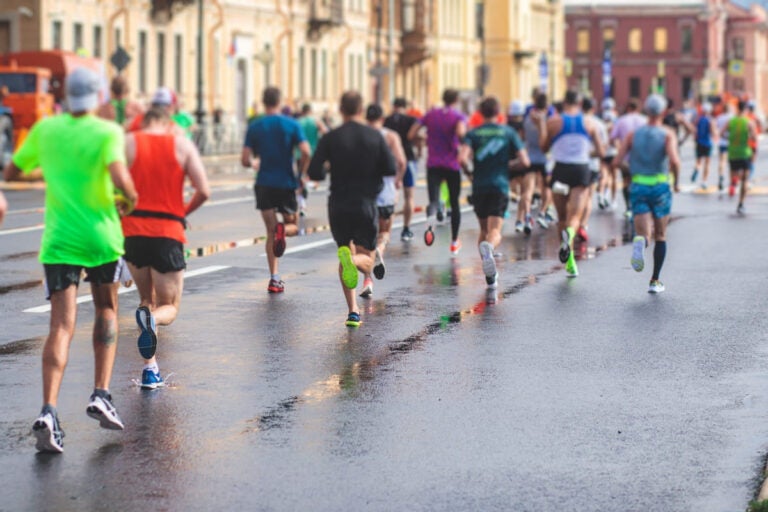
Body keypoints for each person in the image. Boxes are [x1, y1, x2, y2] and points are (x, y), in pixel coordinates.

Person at [4, 68, 139, 453]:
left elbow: (14, 169)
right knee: (106, 310)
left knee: (61, 326)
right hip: (101, 239)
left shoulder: (47, 130)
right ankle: (101, 393)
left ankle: (48, 410)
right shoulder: (106, 132)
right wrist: (129, 200)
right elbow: (124, 183)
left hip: (59, 241)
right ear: (97, 96)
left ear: (65, 95)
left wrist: (51, 172)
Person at [121, 106, 210, 389]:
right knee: (167, 307)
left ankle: (151, 370)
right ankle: (152, 321)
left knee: (145, 299)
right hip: (167, 231)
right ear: (167, 122)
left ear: (144, 122)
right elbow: (204, 190)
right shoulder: (181, 145)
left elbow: (111, 184)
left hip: (133, 232)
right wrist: (181, 212)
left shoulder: (128, 143)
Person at [307, 91, 396, 327]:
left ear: (341, 109)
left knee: (344, 250)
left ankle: (353, 310)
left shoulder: (331, 137)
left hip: (338, 204)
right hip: (365, 203)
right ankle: (354, 262)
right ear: (361, 109)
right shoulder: (374, 136)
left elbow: (314, 172)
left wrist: (332, 165)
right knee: (367, 258)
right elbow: (390, 168)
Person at [241, 87, 311, 293]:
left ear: (263, 102)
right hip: (286, 183)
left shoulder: (255, 126)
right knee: (292, 226)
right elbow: (306, 152)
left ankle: (274, 278)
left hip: (263, 183)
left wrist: (254, 163)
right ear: (280, 101)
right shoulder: (291, 124)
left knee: (270, 232)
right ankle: (283, 230)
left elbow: (245, 159)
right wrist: (301, 174)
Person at [613, 94, 680, 294]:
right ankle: (655, 280)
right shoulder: (667, 134)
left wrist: (631, 170)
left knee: (643, 233)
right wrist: (676, 181)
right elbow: (675, 161)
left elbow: (616, 162)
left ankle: (640, 240)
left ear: (646, 111)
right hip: (660, 186)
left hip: (639, 185)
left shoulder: (633, 135)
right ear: (663, 112)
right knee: (661, 235)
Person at [460, 96, 529, 288]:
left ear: (480, 113)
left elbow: (462, 159)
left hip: (479, 186)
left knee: (483, 230)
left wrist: (470, 174)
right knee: (495, 231)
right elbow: (525, 161)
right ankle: (489, 249)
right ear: (499, 112)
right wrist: (508, 165)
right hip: (499, 185)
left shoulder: (473, 134)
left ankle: (489, 275)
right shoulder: (507, 133)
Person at [541, 89, 605, 278]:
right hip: (581, 170)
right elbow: (601, 152)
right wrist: (585, 152)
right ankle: (570, 233)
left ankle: (570, 263)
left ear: (564, 102)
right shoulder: (589, 122)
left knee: (561, 216)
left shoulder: (553, 122)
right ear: (579, 103)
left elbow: (544, 147)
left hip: (560, 169)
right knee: (575, 216)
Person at [408, 89, 467, 254]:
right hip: (451, 164)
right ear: (456, 99)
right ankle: (454, 242)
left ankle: (430, 223)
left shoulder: (431, 114)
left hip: (433, 163)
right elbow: (461, 133)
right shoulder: (457, 116)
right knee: (454, 203)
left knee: (433, 200)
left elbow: (412, 133)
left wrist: (425, 140)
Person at [360, 104, 406, 298]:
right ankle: (380, 249)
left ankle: (367, 280)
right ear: (382, 117)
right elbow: (401, 162)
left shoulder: (360, 135)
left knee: (365, 238)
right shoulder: (390, 136)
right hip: (386, 191)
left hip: (364, 192)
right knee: (384, 232)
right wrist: (398, 180)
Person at [384, 97, 420, 241]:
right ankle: (406, 229)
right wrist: (420, 150)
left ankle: (386, 230)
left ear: (394, 106)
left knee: (392, 196)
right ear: (405, 106)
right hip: (408, 158)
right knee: (409, 196)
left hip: (391, 160)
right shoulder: (411, 119)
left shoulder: (387, 120)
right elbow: (417, 137)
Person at [578, 97, 609, 242]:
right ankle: (583, 225)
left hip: (575, 163)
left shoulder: (576, 121)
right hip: (592, 164)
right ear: (593, 108)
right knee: (588, 196)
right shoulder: (598, 123)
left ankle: (573, 223)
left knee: (576, 195)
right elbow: (604, 146)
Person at [610, 99, 647, 214]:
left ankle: (628, 207)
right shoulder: (645, 120)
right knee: (641, 181)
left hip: (625, 158)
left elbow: (612, 138)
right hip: (642, 157)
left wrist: (619, 148)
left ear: (628, 108)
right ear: (639, 108)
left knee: (626, 181)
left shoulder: (621, 121)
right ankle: (639, 206)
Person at [723, 100, 757, 215]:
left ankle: (733, 182)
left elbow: (722, 133)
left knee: (734, 172)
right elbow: (754, 138)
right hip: (744, 152)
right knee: (745, 179)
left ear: (737, 108)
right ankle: (741, 204)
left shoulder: (731, 121)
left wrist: (730, 138)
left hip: (733, 151)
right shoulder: (749, 122)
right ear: (746, 109)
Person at [508, 99, 536, 234]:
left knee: (518, 194)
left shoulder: (506, 127)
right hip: (526, 162)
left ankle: (519, 220)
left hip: (511, 163)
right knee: (527, 193)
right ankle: (527, 216)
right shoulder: (527, 126)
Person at [691, 103, 716, 190]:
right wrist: (715, 135)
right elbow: (712, 131)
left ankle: (697, 170)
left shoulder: (698, 119)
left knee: (698, 161)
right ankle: (704, 181)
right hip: (707, 143)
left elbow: (694, 130)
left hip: (699, 142)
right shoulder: (710, 120)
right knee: (707, 163)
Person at [715, 102, 734, 193]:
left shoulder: (719, 117)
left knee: (721, 161)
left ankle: (721, 177)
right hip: (731, 143)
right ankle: (731, 182)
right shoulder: (732, 118)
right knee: (731, 163)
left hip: (722, 143)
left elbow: (717, 129)